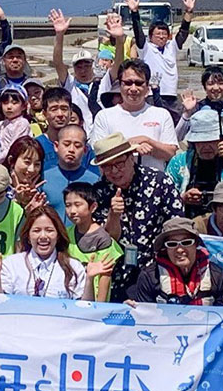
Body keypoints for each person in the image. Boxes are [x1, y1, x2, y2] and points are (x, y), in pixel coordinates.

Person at [91, 133, 184, 300]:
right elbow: (106, 240)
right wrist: (113, 216)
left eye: (119, 164)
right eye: (107, 166)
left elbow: (177, 225)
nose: (114, 171)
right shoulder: (98, 192)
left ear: (131, 158)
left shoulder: (159, 181)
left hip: (157, 271)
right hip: (116, 274)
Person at [0, 206, 109, 299]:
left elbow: (85, 309)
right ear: (28, 236)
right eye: (36, 231)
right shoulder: (11, 264)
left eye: (49, 230)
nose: (43, 236)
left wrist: (89, 279)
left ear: (58, 235)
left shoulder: (74, 266)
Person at [91, 39, 178, 172]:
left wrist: (147, 141)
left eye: (138, 83)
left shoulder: (162, 115)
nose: (133, 88)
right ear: (120, 86)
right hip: (116, 180)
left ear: (147, 87)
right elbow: (100, 154)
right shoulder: (104, 116)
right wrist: (130, 147)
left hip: (154, 182)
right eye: (128, 83)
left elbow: (170, 153)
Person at [167, 109, 223, 219]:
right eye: (201, 142)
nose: (206, 147)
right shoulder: (179, 162)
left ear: (221, 140)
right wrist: (184, 198)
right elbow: (166, 197)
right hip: (187, 220)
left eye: (211, 141)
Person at [124, 0, 196, 108]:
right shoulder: (146, 48)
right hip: (151, 94)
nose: (161, 37)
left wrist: (189, 11)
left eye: (164, 34)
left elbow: (183, 31)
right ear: (150, 36)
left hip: (171, 94)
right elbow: (138, 32)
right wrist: (134, 12)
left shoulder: (172, 46)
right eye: (158, 34)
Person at [63, 182, 122, 302]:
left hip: (93, 300)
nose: (72, 211)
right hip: (71, 297)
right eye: (68, 205)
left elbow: (105, 276)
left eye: (78, 205)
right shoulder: (66, 234)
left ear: (93, 207)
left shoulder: (102, 239)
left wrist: (100, 306)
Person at [43, 125, 100, 223]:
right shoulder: (43, 178)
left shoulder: (95, 181)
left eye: (77, 146)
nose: (71, 150)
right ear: (56, 146)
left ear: (85, 150)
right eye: (66, 144)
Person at [49, 8, 95, 126]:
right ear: (74, 69)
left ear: (92, 66)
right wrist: (60, 35)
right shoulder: (70, 84)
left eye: (87, 65)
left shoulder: (100, 85)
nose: (83, 70)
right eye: (79, 67)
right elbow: (58, 62)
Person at [35, 87, 93, 170]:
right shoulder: (36, 146)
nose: (60, 114)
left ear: (70, 112)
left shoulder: (83, 148)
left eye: (64, 109)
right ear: (44, 114)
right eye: (54, 109)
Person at [176, 66, 223, 140]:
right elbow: (178, 137)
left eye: (221, 83)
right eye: (210, 84)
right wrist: (187, 113)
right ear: (204, 87)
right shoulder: (197, 108)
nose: (216, 88)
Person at [0, 83, 33, 163]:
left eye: (14, 103)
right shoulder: (5, 123)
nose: (9, 107)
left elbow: (13, 148)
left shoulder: (22, 123)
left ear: (24, 106)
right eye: (5, 103)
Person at [3, 137, 46, 209]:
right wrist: (17, 200)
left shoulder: (40, 192)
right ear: (11, 161)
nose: (32, 169)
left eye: (37, 164)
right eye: (27, 162)